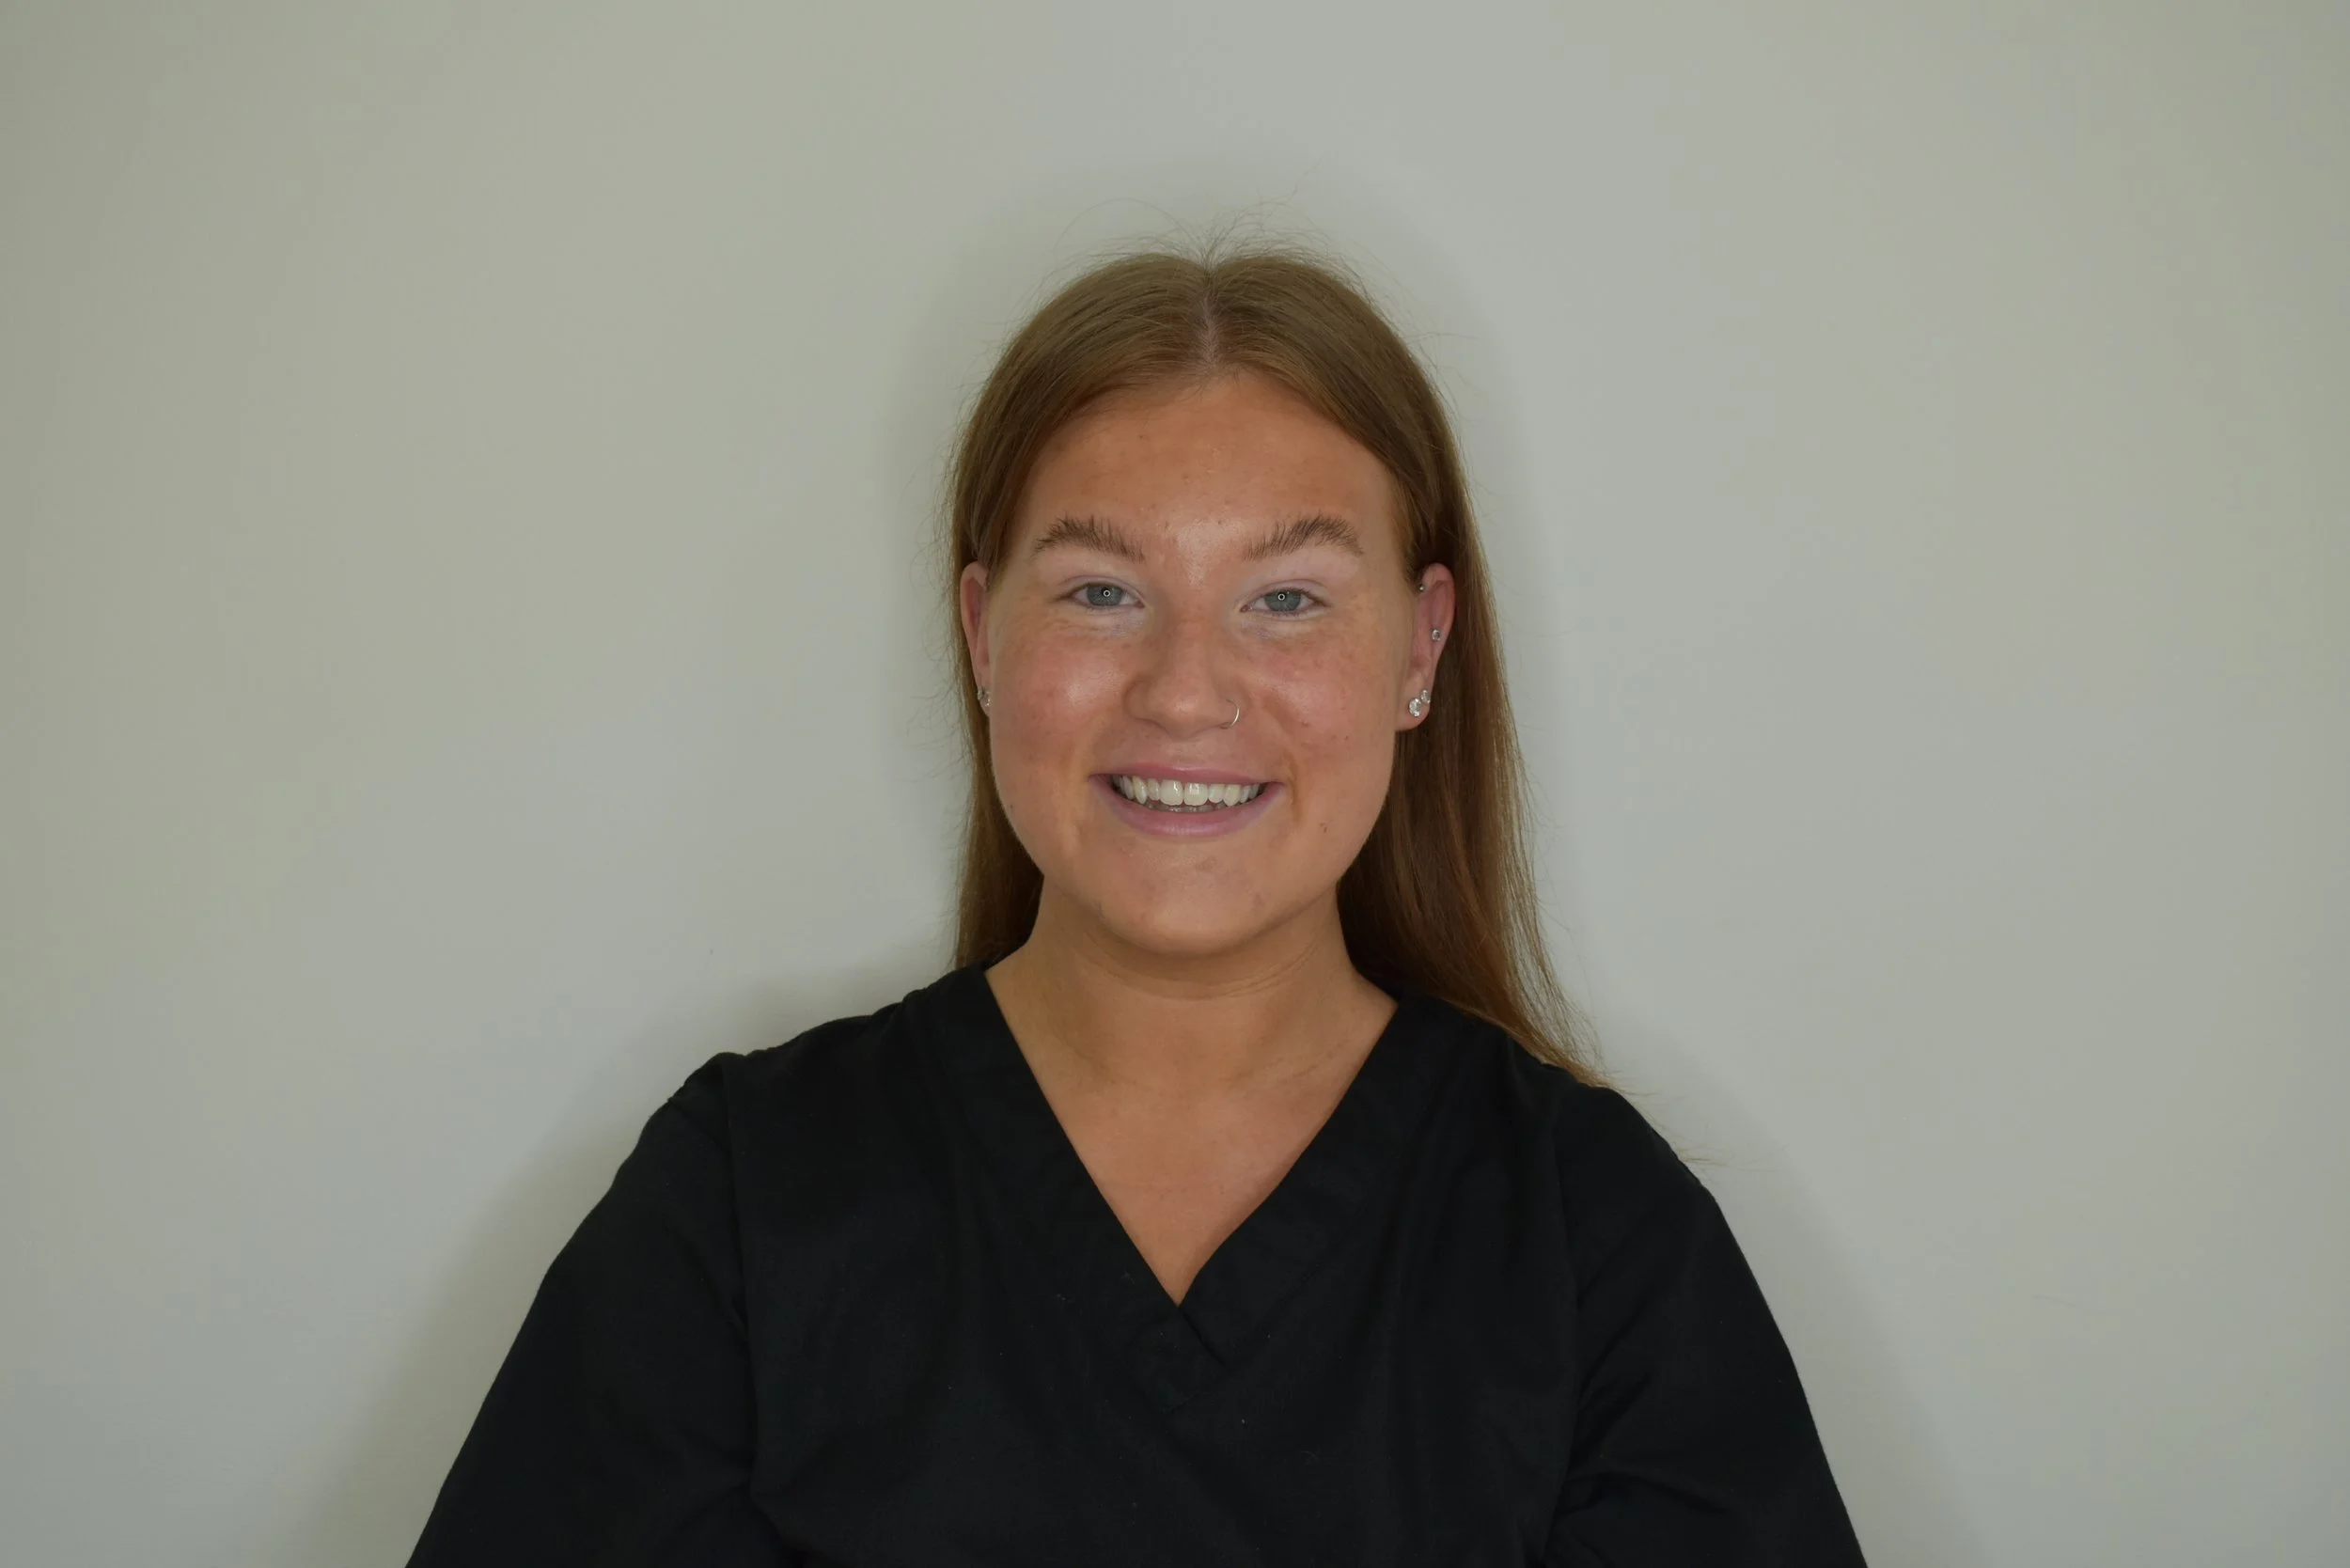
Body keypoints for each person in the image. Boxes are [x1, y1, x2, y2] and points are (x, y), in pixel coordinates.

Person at [405, 244, 1867, 1566]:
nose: (1183, 690)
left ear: (1421, 649)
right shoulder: (741, 1208)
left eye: (1287, 597)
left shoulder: (1595, 1242)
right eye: (1101, 592)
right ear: (983, 635)